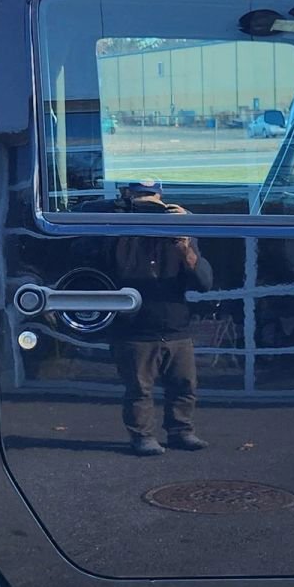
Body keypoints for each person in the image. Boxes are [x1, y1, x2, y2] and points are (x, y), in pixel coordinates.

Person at [109, 181, 212, 455]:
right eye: (141, 198)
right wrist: (124, 219)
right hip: (135, 328)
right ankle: (142, 436)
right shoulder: (118, 229)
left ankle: (182, 431)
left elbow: (204, 282)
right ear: (127, 196)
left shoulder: (179, 232)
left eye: (153, 200)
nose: (149, 206)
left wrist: (185, 237)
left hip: (176, 325)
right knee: (138, 390)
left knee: (184, 385)